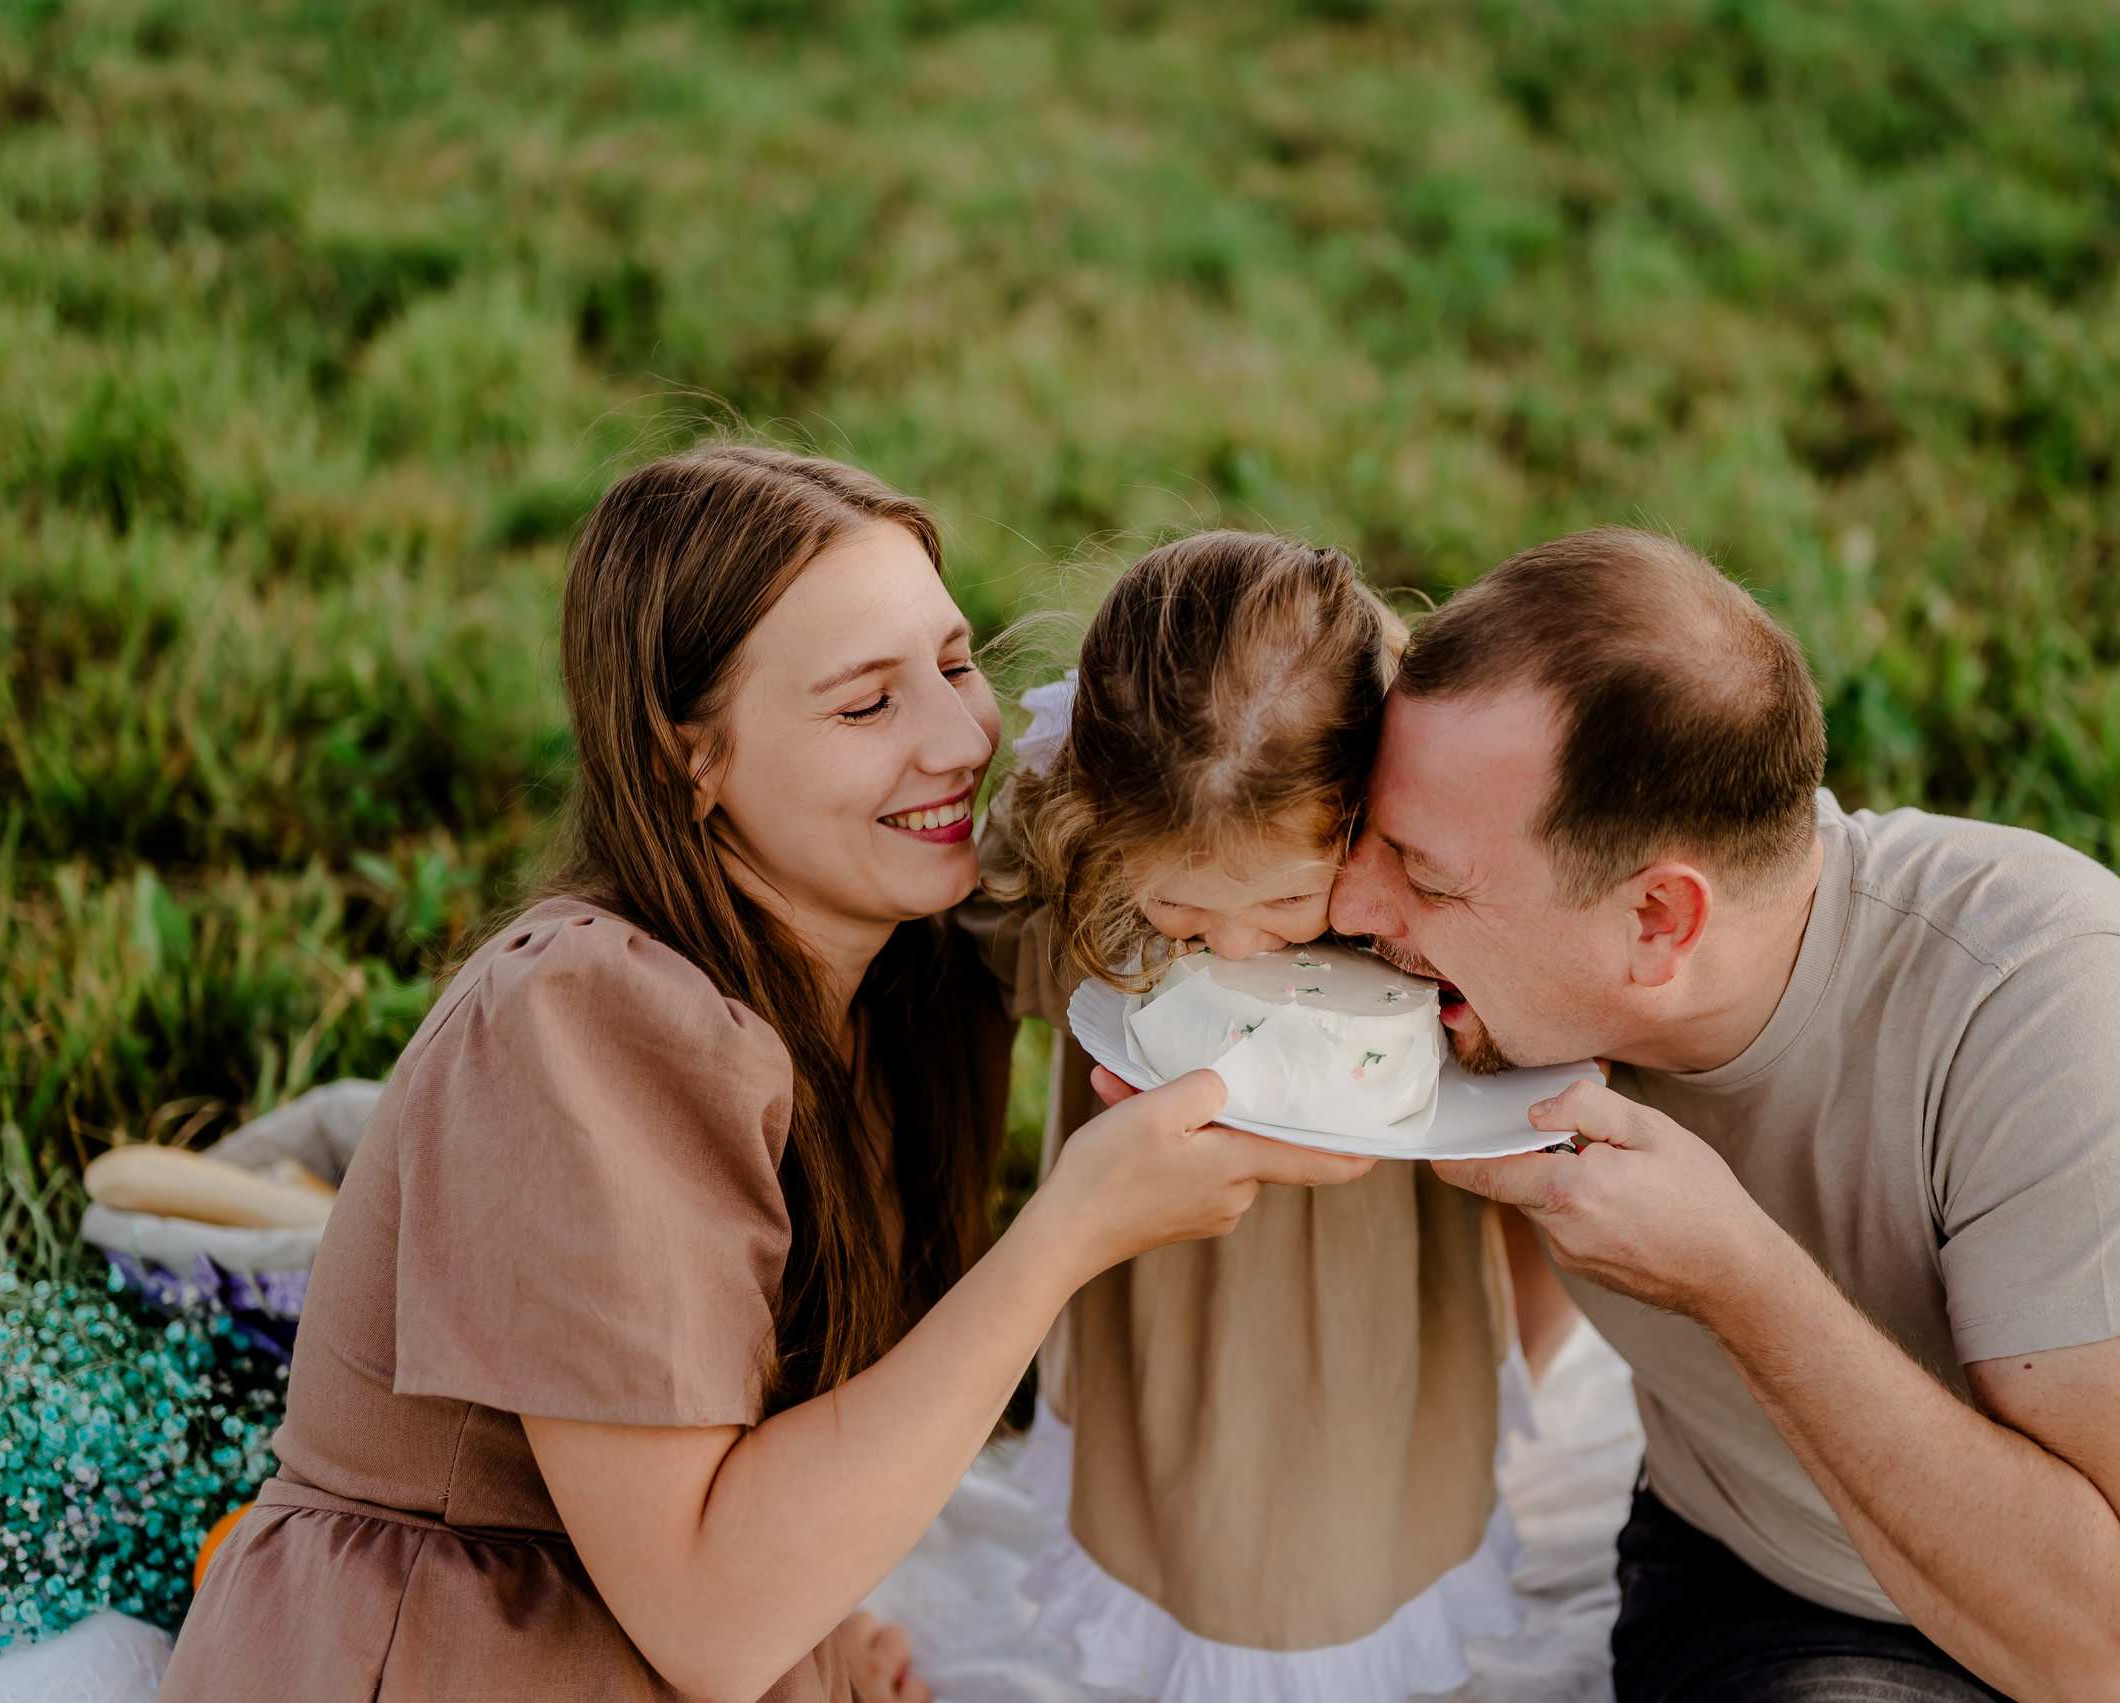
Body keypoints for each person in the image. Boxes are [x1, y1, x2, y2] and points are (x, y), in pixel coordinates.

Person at [159, 444, 1368, 1703]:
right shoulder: (586, 1008)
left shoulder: (905, 970)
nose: (961, 736)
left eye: (955, 664)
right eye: (865, 706)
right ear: (692, 757)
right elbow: (706, 1620)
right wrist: (1065, 1233)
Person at [1326, 525, 2120, 1703]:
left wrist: (1736, 1275)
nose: (1353, 900)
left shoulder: (2052, 1010)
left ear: (1658, 921)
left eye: (1423, 872)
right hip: (1784, 1598)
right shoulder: (1484, 998)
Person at [961, 532, 1520, 1700]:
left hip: (1367, 1290)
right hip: (1163, 1285)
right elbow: (989, 964)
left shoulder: (1424, 861)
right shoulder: (1072, 825)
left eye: (1276, 901)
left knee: (1342, 1532)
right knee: (1184, 1504)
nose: (1231, 943)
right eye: (1178, 903)